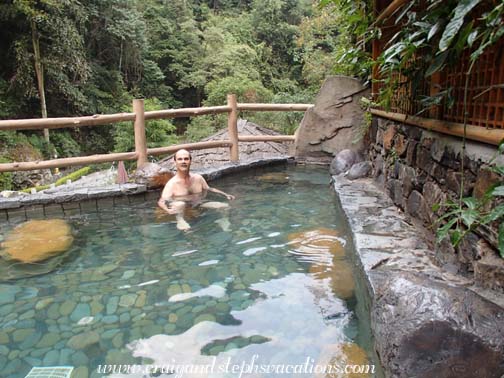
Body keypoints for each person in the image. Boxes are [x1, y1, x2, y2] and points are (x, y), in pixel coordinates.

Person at [157, 149, 235, 230]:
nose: (183, 161)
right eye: (180, 159)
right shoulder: (172, 184)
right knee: (180, 204)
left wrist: (225, 194)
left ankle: (223, 220)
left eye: (186, 159)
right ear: (175, 162)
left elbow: (209, 188)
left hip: (198, 204)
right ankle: (180, 220)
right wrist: (167, 210)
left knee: (224, 206)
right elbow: (161, 201)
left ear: (190, 161)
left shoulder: (198, 178)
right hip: (182, 209)